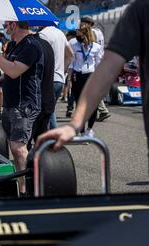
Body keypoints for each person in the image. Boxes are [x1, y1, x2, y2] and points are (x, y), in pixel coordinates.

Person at [37, 0, 148, 153]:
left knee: (91, 105)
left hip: (88, 73)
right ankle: (82, 127)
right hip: (79, 74)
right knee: (76, 98)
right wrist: (74, 124)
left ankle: (88, 128)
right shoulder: (141, 10)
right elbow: (107, 67)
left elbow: (101, 64)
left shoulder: (95, 46)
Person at [0, 21, 44, 195]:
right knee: (14, 148)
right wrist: (0, 81)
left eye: (6, 24)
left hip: (24, 104)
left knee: (19, 148)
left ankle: (32, 190)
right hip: (11, 104)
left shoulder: (31, 45)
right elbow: (9, 71)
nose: (4, 26)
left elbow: (15, 71)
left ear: (14, 25)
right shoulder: (12, 44)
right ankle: (23, 187)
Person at [68, 26, 103, 135]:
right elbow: (71, 63)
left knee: (93, 104)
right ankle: (81, 130)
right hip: (77, 76)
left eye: (79, 33)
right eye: (77, 33)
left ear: (86, 34)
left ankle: (89, 129)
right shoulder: (73, 45)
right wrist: (69, 79)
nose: (77, 36)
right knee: (79, 104)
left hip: (91, 76)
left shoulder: (96, 47)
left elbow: (98, 64)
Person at [39, 26, 74, 129]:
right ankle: (51, 141)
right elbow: (71, 55)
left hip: (47, 80)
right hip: (59, 79)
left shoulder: (42, 35)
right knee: (50, 112)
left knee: (46, 113)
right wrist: (62, 71)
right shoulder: (60, 33)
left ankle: (55, 141)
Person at [80, 16, 111, 122]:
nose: (81, 25)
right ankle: (100, 110)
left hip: (92, 61)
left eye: (82, 23)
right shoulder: (99, 31)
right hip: (99, 59)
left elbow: (88, 45)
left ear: (88, 23)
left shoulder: (91, 32)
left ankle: (102, 110)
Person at [28, 32, 55, 149]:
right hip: (48, 96)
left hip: (33, 100)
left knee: (24, 143)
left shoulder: (30, 46)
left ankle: (31, 165)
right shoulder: (47, 44)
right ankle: (43, 165)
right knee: (42, 140)